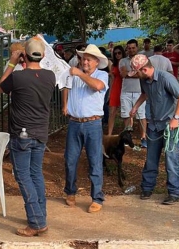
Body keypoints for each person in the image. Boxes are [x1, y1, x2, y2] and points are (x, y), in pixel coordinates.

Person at [0, 37, 55, 237]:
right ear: (43, 54)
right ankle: (40, 215)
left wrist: (12, 62)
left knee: (23, 177)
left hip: (21, 135)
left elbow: (1, 86)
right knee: (36, 175)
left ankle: (36, 222)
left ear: (24, 55)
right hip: (41, 133)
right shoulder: (50, 76)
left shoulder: (19, 77)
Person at [129, 54, 179, 205]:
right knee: (151, 159)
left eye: (137, 72)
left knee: (171, 160)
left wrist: (175, 118)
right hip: (154, 125)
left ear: (145, 69)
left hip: (170, 126)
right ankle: (147, 188)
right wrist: (136, 106)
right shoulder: (144, 80)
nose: (136, 75)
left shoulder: (165, 78)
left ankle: (175, 192)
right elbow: (145, 94)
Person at [62, 44, 109, 213]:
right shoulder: (74, 74)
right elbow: (65, 87)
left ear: (97, 62)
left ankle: (97, 197)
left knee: (95, 161)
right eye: (83, 59)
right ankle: (70, 192)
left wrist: (79, 73)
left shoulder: (102, 75)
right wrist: (65, 104)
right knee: (70, 160)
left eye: (88, 59)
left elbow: (97, 86)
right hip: (74, 122)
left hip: (93, 124)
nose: (85, 62)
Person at [119, 39, 147, 148]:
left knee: (141, 116)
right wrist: (136, 73)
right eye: (129, 48)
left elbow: (144, 74)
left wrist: (129, 73)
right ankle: (127, 138)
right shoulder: (123, 61)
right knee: (126, 116)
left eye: (133, 48)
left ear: (137, 47)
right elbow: (123, 74)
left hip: (140, 92)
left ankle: (143, 138)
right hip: (125, 91)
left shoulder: (143, 60)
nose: (131, 50)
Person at [108, 45, 126, 135]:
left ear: (122, 52)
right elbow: (112, 79)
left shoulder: (126, 63)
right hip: (115, 87)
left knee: (126, 113)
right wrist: (110, 93)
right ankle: (109, 133)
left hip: (125, 87)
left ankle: (126, 133)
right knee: (112, 112)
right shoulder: (113, 65)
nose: (117, 55)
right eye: (115, 53)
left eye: (119, 53)